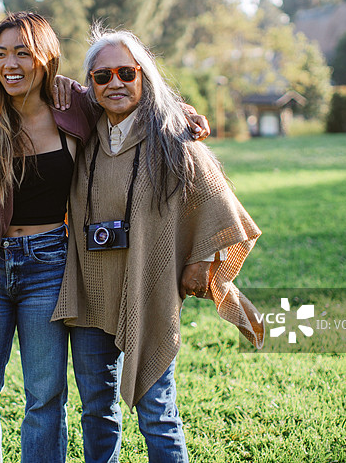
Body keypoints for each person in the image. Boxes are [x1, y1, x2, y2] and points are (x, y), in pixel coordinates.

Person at [0, 12, 209, 463]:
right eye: (0, 54)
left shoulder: (73, 103)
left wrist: (182, 116)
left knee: (46, 396)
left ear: (45, 57)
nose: (10, 64)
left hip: (51, 267)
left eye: (22, 52)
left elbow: (127, 99)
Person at [52, 27, 265, 463]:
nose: (115, 84)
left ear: (144, 77)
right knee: (96, 412)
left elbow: (218, 202)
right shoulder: (80, 136)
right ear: (90, 85)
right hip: (89, 293)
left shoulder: (172, 138)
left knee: (157, 414)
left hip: (149, 291)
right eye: (103, 76)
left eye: (127, 73)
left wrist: (202, 260)